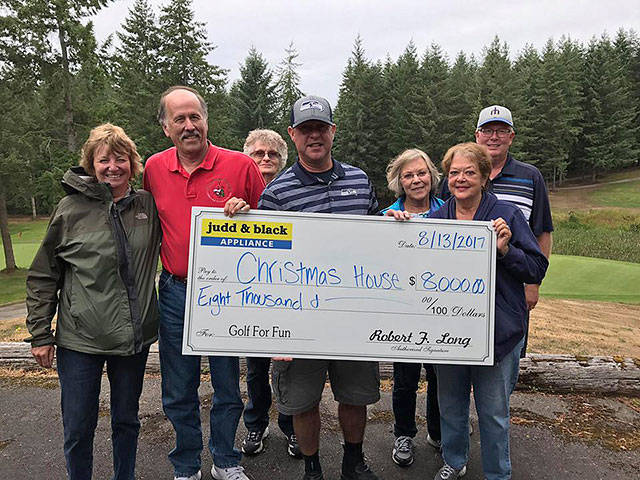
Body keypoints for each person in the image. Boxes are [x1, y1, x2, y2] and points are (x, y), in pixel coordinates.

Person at [25, 123, 162, 480]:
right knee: (78, 426)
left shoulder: (148, 205)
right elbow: (43, 274)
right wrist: (40, 335)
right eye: (104, 160)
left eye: (121, 159)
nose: (113, 167)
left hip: (133, 339)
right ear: (91, 164)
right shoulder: (69, 210)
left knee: (126, 421)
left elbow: (191, 230)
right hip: (80, 341)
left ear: (132, 163)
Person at [143, 86, 265, 480]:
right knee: (179, 388)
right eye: (179, 119)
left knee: (228, 386)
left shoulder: (240, 166)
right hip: (177, 291)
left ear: (206, 120)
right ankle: (186, 464)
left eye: (195, 116)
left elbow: (274, 228)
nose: (189, 125)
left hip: (228, 292)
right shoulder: (154, 168)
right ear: (166, 127)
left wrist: (246, 213)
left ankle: (225, 460)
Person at [259, 95, 381, 480]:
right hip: (301, 320)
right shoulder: (276, 193)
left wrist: (396, 225)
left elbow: (379, 243)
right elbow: (265, 269)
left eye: (321, 128)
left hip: (352, 315)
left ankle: (353, 461)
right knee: (302, 401)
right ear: (293, 135)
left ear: (333, 131)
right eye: (306, 129)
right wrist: (274, 331)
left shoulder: (360, 181)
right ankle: (312, 467)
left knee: (354, 396)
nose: (315, 135)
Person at [430, 142, 549, 480]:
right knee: (451, 404)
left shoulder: (506, 216)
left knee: (494, 411)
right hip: (449, 330)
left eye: (469, 172)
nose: (461, 179)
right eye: (454, 173)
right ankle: (454, 461)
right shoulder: (439, 218)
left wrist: (506, 249)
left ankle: (498, 473)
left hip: (497, 332)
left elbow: (536, 268)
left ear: (484, 176)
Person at [440, 105, 553, 356]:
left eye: (501, 131)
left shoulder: (531, 176)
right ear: (477, 135)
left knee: (503, 361)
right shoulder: (453, 179)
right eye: (487, 130)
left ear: (511, 136)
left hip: (509, 289)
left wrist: (533, 284)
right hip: (455, 292)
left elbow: (542, 232)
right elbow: (437, 223)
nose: (494, 137)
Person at [379, 149, 444, 467]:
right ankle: (403, 433)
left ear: (432, 176)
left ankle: (439, 430)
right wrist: (386, 230)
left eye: (421, 173)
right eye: (408, 175)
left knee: (440, 375)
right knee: (405, 377)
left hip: (442, 310)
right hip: (402, 311)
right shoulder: (386, 216)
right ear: (398, 182)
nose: (416, 180)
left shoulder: (451, 211)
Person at [239, 129, 299, 458]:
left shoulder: (292, 191)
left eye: (272, 154)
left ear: (281, 160)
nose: (265, 159)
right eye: (259, 153)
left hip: (290, 291)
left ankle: (291, 427)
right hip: (252, 293)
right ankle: (256, 424)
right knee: (256, 366)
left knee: (290, 367)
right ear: (247, 157)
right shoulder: (237, 194)